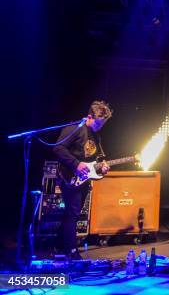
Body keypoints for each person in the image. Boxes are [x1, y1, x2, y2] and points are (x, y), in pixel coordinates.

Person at [53, 101, 112, 259]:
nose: (100, 127)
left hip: (84, 179)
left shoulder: (95, 135)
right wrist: (76, 164)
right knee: (73, 213)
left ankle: (59, 245)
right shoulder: (75, 128)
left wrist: (103, 167)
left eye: (103, 124)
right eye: (99, 123)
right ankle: (71, 251)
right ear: (89, 117)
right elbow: (58, 148)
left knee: (73, 213)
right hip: (69, 176)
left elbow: (98, 157)